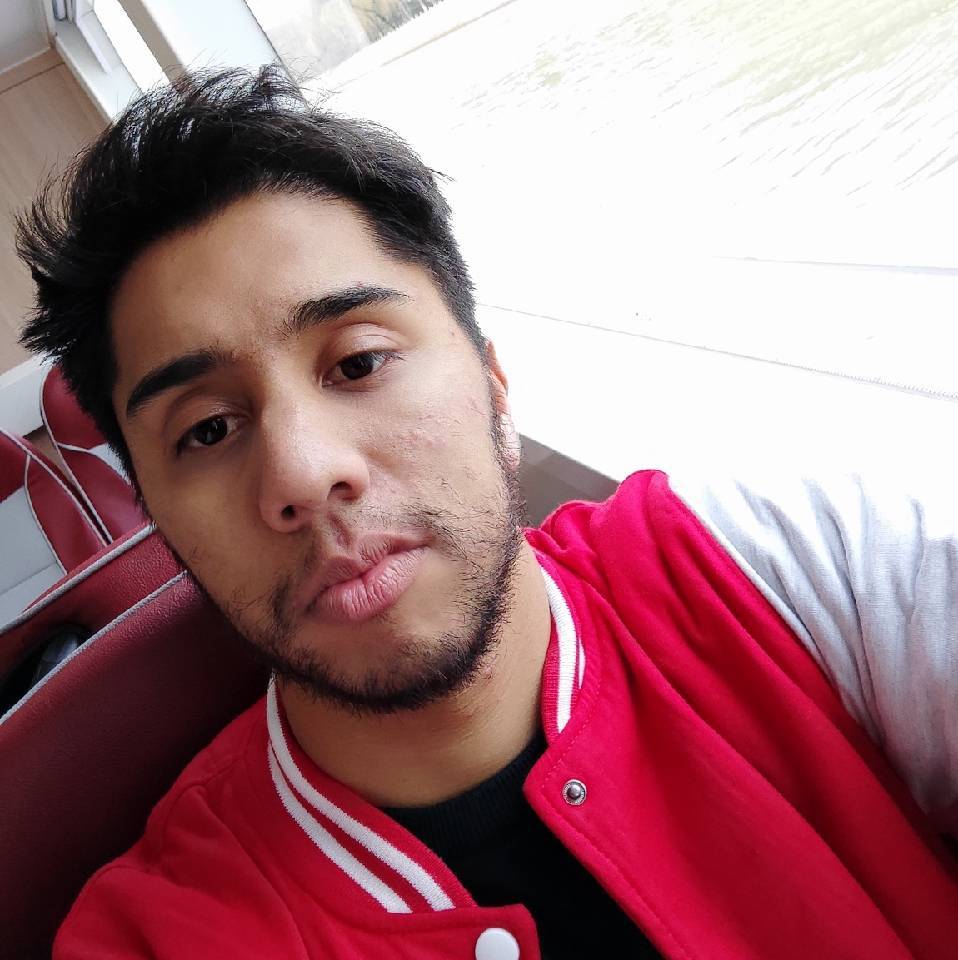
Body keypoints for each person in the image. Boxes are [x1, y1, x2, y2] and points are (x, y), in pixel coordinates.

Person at [17, 67, 958, 960]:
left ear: (495, 386)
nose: (304, 474)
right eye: (209, 430)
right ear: (159, 518)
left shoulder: (778, 568)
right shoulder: (155, 937)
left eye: (359, 363)